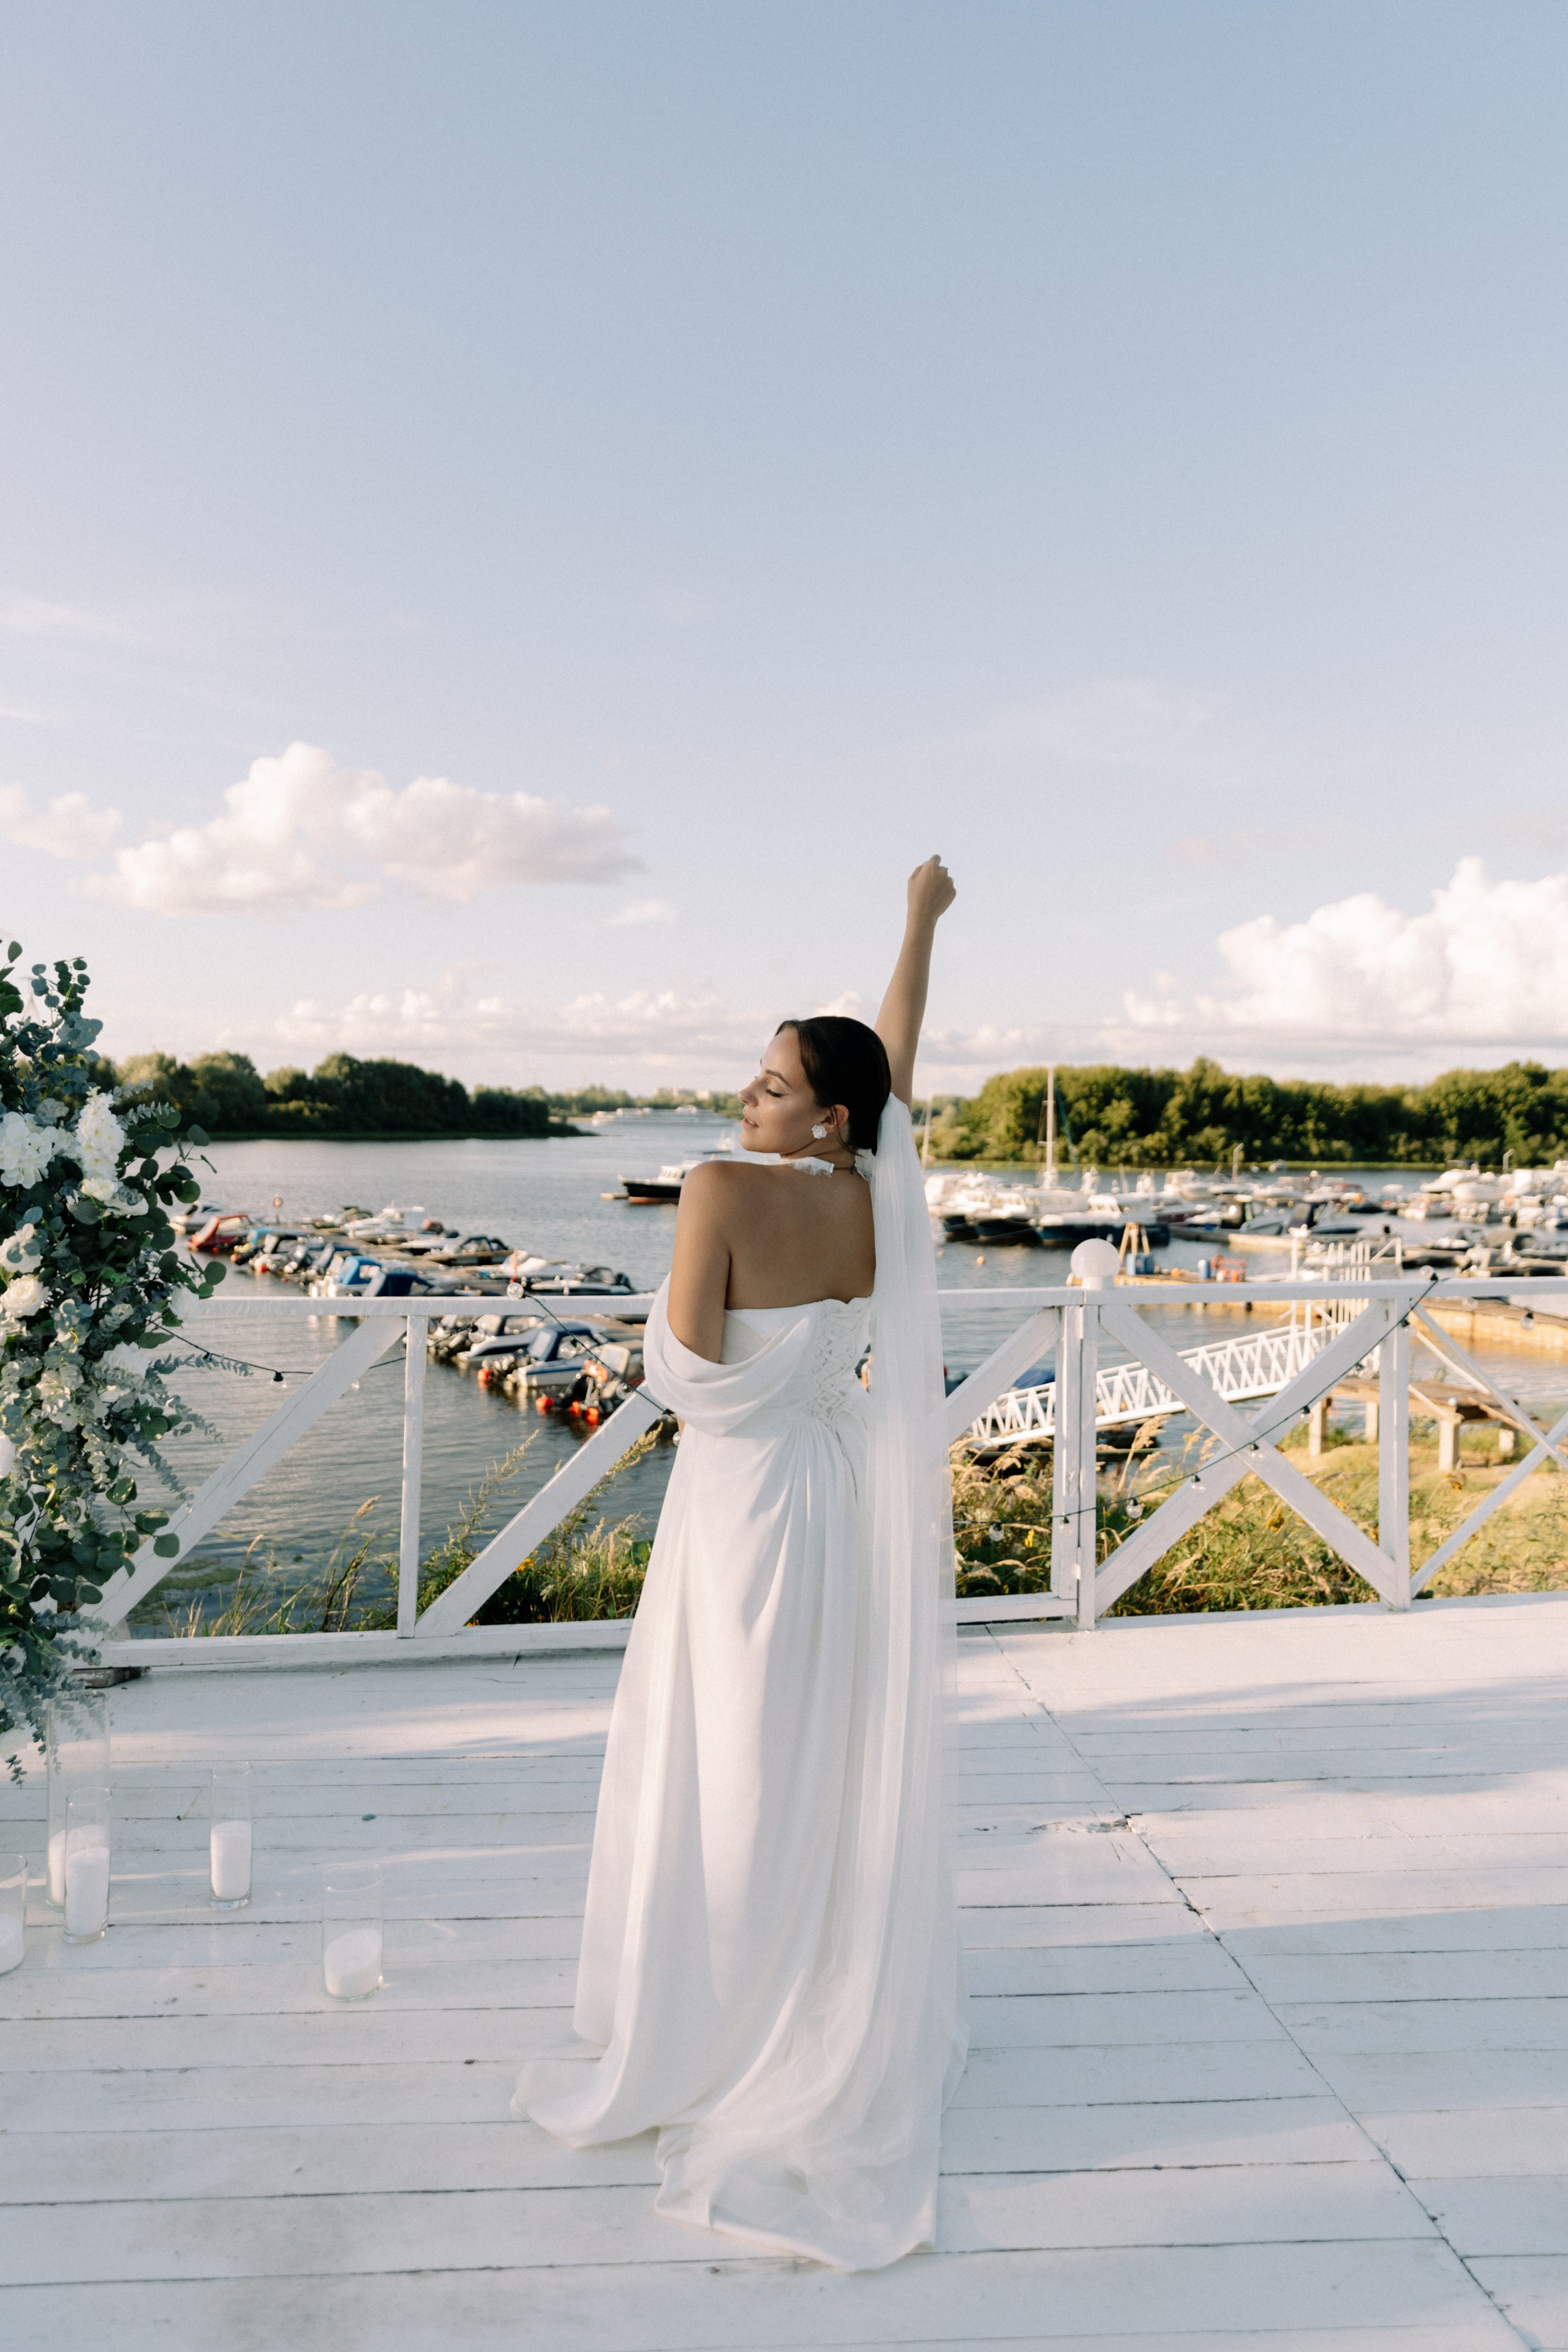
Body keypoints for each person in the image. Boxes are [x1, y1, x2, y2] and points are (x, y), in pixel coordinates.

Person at [513, 857, 965, 2271]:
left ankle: (711, 2019)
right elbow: (892, 1059)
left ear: (821, 1112)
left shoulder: (714, 1185)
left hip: (746, 1505)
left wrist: (676, 1317)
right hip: (836, 1495)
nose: (744, 1096)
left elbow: (687, 1374)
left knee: (722, 1757)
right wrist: (917, 926)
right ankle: (815, 1994)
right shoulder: (875, 1191)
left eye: (770, 1081)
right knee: (812, 1757)